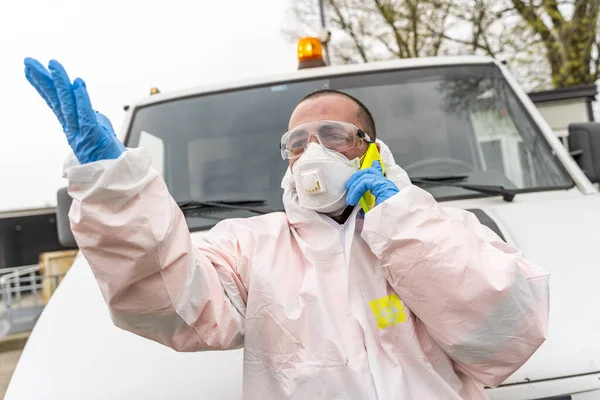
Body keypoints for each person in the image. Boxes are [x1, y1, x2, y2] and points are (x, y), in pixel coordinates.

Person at [24, 57, 549, 400]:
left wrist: (399, 218)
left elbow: (506, 335)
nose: (313, 151)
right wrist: (113, 186)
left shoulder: (444, 228)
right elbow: (166, 303)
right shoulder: (249, 247)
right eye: (298, 142)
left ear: (373, 148)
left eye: (334, 134)